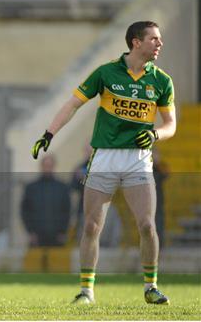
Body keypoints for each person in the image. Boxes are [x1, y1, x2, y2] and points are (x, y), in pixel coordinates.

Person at [32, 21, 175, 305]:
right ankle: (86, 291)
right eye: (154, 39)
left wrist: (156, 133)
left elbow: (171, 124)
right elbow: (72, 104)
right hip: (104, 158)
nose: (159, 44)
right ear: (136, 42)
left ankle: (151, 287)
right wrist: (49, 134)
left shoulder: (161, 80)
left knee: (147, 225)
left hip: (139, 161)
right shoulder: (105, 73)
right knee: (91, 226)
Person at [21, 155, 71, 247]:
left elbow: (67, 211)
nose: (47, 168)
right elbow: (25, 211)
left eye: (50, 166)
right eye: (45, 166)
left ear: (54, 167)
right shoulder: (31, 188)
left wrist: (63, 231)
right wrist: (30, 231)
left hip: (57, 237)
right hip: (36, 237)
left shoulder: (62, 188)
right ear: (41, 166)